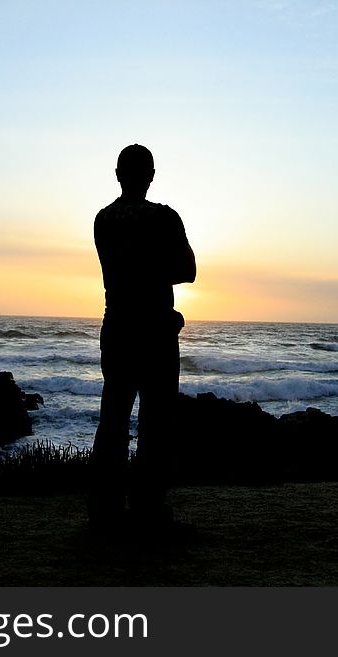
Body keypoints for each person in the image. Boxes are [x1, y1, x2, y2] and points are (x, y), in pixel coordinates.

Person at [90, 144, 196, 531]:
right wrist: (157, 265)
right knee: (156, 422)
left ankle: (105, 509)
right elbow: (188, 270)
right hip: (155, 332)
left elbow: (119, 266)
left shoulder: (104, 220)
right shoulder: (165, 219)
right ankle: (148, 509)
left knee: (113, 418)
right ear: (151, 176)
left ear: (118, 175)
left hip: (117, 328)